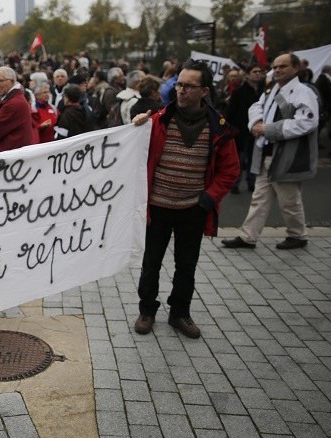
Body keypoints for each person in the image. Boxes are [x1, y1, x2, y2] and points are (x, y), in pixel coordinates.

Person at [131, 59, 239, 339]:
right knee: (151, 262)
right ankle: (146, 310)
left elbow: (230, 170)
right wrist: (136, 127)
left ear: (204, 91)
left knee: (186, 265)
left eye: (189, 86)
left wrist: (208, 199)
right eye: (179, 84)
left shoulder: (218, 127)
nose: (181, 90)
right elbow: (133, 153)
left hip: (193, 208)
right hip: (158, 207)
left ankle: (180, 312)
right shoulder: (158, 120)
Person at [221, 53, 319, 251]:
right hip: (266, 152)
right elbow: (256, 107)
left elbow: (307, 122)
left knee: (289, 199)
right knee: (259, 198)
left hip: (286, 155)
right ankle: (248, 236)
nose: (278, 70)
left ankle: (297, 235)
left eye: (283, 66)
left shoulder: (304, 92)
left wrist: (269, 129)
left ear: (295, 68)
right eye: (275, 67)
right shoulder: (272, 89)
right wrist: (257, 124)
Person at [226, 64, 265, 193]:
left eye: (260, 71)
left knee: (254, 157)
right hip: (241, 131)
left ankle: (251, 181)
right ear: (247, 75)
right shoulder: (238, 92)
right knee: (240, 159)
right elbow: (231, 113)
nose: (258, 74)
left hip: (258, 131)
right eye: (255, 71)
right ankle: (235, 184)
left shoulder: (264, 92)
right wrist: (230, 131)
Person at [0, 66, 37, 152]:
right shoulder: (15, 99)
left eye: (0, 81)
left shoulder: (14, 103)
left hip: (12, 158)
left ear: (12, 81)